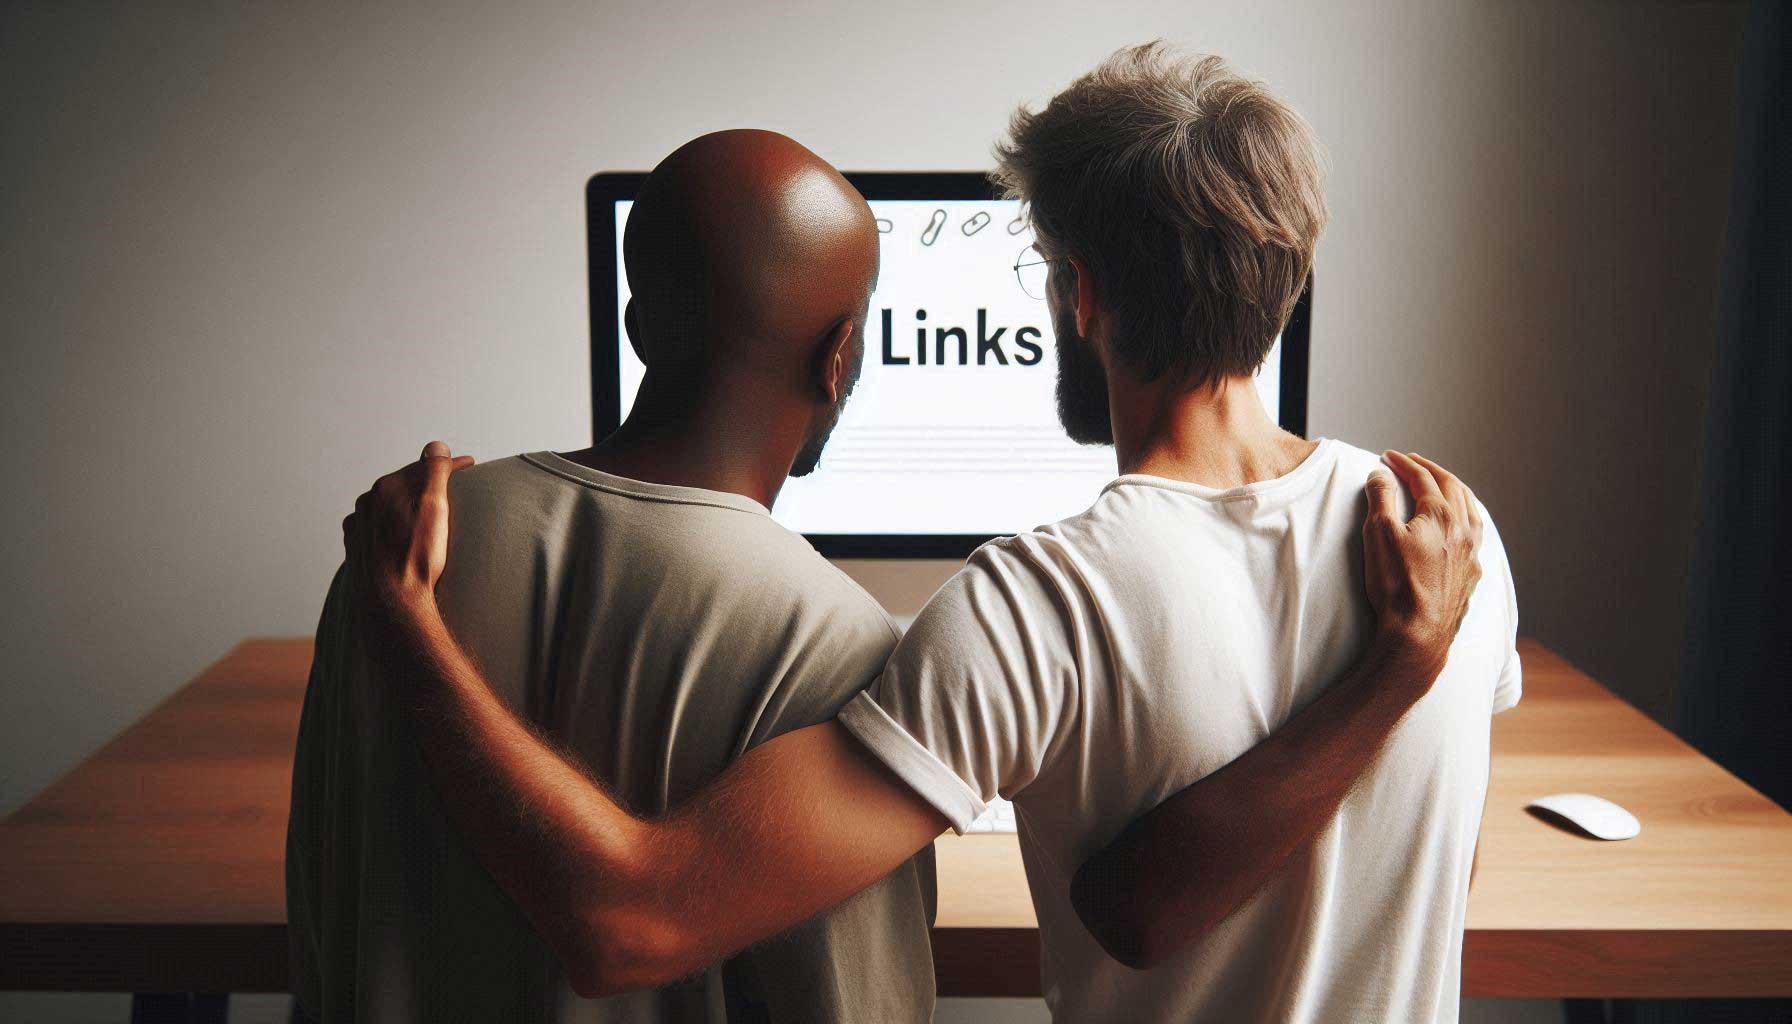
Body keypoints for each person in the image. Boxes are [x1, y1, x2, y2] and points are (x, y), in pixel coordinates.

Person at [342, 44, 1518, 1024]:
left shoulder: (1040, 605)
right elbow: (1426, 874)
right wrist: (1395, 671)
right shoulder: (1449, 541)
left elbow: (633, 920)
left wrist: (412, 633)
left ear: (1083, 298)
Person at [286, 130, 938, 1024]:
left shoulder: (399, 549)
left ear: (637, 325)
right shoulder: (831, 640)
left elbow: (328, 923)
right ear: (839, 357)